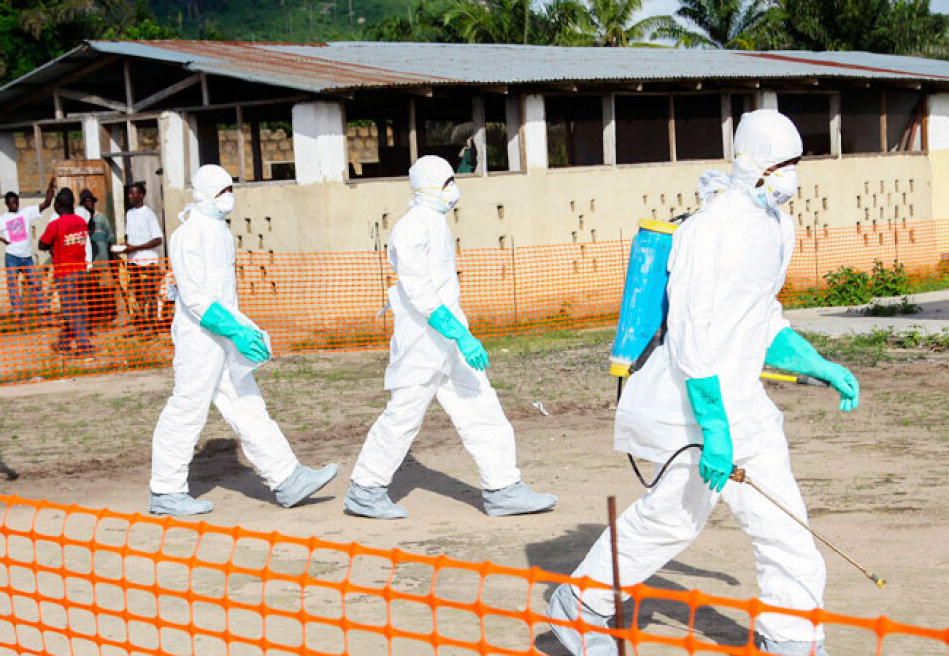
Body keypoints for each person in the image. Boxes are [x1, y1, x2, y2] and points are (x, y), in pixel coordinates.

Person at [547, 110, 859, 656]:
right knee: (671, 520)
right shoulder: (707, 231)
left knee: (785, 529)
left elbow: (763, 321)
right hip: (689, 405)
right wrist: (714, 428)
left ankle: (791, 639)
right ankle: (578, 607)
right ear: (754, 166)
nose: (793, 175)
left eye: (796, 164)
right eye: (784, 164)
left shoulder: (777, 227)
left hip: (746, 406)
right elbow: (693, 340)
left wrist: (818, 364)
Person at [343, 156, 556, 520]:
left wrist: (460, 335)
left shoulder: (435, 223)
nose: (452, 189)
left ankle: (503, 489)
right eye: (447, 182)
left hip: (451, 341)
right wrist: (459, 333)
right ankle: (365, 490)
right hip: (422, 344)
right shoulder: (412, 227)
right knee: (403, 416)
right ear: (428, 184)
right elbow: (420, 292)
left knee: (484, 409)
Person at [148, 164, 337, 516]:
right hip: (199, 336)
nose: (228, 197)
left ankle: (287, 478)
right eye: (220, 191)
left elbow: (225, 295)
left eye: (229, 189)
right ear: (203, 193)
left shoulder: (219, 230)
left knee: (247, 403)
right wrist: (235, 329)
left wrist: (242, 328)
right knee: (188, 406)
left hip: (223, 332)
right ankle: (165, 490)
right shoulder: (188, 235)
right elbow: (195, 297)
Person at [0, 178, 56, 316]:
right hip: (12, 257)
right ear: (7, 204)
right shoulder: (1, 219)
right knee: (13, 285)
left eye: (16, 202)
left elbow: (46, 204)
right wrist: (1, 239)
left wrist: (50, 187)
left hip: (27, 257)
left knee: (35, 283)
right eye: (11, 203)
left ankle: (42, 308)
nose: (14, 205)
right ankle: (18, 310)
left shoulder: (26, 212)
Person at [39, 188, 93, 356]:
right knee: (74, 308)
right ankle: (64, 343)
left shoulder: (55, 225)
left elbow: (42, 244)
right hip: (80, 271)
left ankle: (85, 347)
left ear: (57, 205)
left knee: (71, 310)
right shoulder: (81, 222)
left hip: (65, 273)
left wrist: (53, 247)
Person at [121, 183, 163, 332]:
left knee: (150, 294)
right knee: (137, 294)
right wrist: (124, 246)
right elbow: (129, 235)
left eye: (133, 194)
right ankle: (141, 324)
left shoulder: (149, 214)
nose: (130, 196)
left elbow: (158, 239)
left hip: (147, 261)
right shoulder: (129, 213)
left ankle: (152, 326)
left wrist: (136, 248)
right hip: (133, 261)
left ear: (141, 195)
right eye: (129, 194)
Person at [75, 189, 114, 264]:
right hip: (89, 257)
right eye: (86, 201)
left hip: (103, 256)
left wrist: (111, 256)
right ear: (83, 204)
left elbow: (109, 237)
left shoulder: (101, 217)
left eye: (90, 200)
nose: (89, 203)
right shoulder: (81, 220)